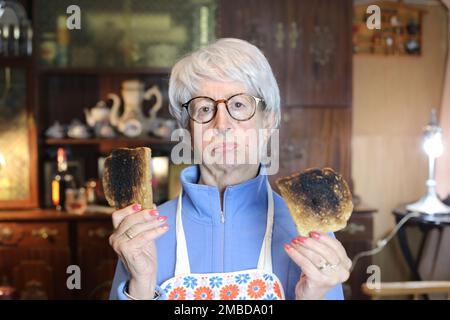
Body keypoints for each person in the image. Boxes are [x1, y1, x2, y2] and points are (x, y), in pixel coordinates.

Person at [109, 38, 351, 300]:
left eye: (238, 105)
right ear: (188, 131)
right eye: (204, 108)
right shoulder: (144, 233)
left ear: (268, 121)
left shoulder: (309, 235)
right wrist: (141, 285)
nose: (221, 124)